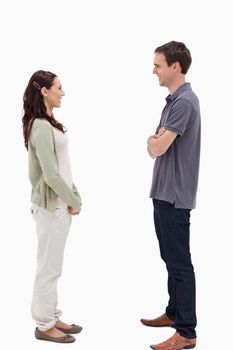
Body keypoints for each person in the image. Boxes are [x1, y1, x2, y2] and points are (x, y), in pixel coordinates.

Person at [140, 41, 201, 350]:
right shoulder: (173, 101)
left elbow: (157, 147)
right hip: (164, 194)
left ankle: (186, 331)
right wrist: (155, 140)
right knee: (170, 258)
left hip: (174, 197)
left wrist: (153, 140)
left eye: (158, 65)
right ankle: (174, 312)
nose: (154, 70)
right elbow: (157, 145)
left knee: (180, 264)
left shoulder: (184, 103)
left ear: (175, 67)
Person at [22, 70, 83, 343]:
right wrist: (71, 200)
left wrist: (74, 195)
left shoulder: (49, 123)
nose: (63, 91)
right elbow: (50, 174)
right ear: (44, 91)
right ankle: (44, 324)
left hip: (60, 205)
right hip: (51, 208)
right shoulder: (40, 126)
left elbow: (63, 168)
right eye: (59, 87)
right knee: (48, 268)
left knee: (53, 266)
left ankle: (52, 314)